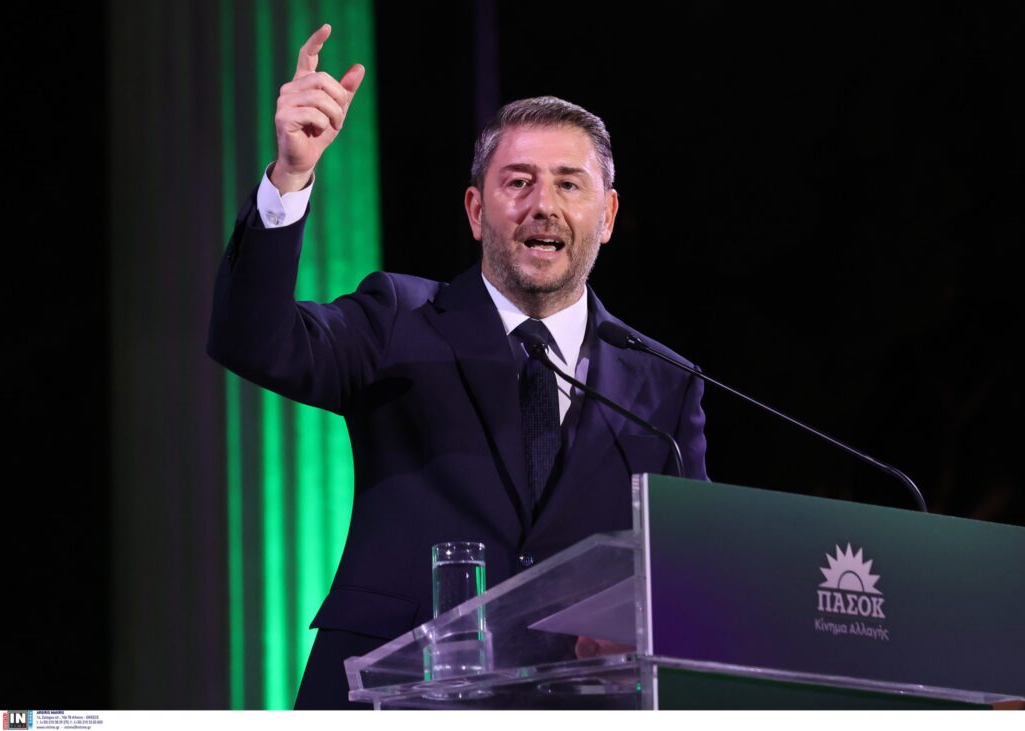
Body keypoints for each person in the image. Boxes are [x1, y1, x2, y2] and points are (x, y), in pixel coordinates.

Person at [207, 24, 708, 709]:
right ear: (476, 210)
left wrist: (654, 625)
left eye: (569, 184)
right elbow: (253, 339)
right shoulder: (397, 319)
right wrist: (290, 176)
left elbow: (690, 576)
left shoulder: (664, 383)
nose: (543, 205)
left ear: (608, 215)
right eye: (518, 182)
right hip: (396, 699)